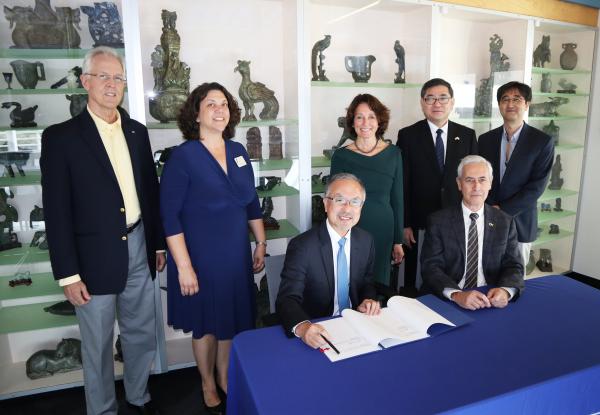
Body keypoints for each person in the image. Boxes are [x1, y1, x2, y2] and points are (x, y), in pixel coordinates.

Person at [40, 46, 165, 415]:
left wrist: (156, 244)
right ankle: (102, 409)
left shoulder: (136, 132)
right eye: (103, 76)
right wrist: (67, 274)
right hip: (91, 259)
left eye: (118, 78)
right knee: (96, 344)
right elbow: (56, 212)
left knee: (141, 332)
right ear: (85, 82)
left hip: (140, 244)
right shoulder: (61, 137)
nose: (112, 84)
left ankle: (139, 396)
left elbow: (149, 192)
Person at [160, 82, 266, 413]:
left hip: (235, 255)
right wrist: (185, 267)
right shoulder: (183, 156)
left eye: (224, 104)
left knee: (231, 321)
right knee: (206, 325)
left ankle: (224, 375)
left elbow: (251, 202)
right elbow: (169, 216)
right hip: (199, 258)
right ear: (196, 112)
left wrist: (260, 241)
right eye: (211, 104)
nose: (219, 109)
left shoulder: (238, 151)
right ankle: (206, 381)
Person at [276, 173, 381, 348]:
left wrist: (368, 300)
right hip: (317, 327)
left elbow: (366, 283)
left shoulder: (366, 241)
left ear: (361, 207)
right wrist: (303, 327)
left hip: (355, 327)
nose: (347, 209)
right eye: (339, 200)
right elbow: (287, 299)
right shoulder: (302, 246)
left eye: (355, 202)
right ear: (326, 204)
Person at [397, 78, 477, 293]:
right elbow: (402, 182)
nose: (437, 103)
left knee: (451, 270)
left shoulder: (467, 135)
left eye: (443, 98)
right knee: (415, 275)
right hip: (419, 219)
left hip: (455, 217)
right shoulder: (407, 135)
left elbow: (473, 180)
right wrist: (404, 223)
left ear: (451, 102)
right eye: (430, 98)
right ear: (423, 103)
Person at [421, 155, 524, 310]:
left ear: (490, 183)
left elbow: (514, 266)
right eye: (469, 180)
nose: (476, 187)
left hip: (489, 298)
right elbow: (431, 267)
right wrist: (456, 294)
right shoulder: (438, 221)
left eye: (482, 179)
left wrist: (505, 290)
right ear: (459, 184)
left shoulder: (505, 221)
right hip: (449, 299)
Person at [330, 94, 404, 289]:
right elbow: (333, 201)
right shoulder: (341, 156)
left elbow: (397, 199)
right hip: (350, 228)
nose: (365, 123)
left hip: (383, 230)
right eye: (359, 117)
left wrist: (398, 241)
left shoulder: (394, 153)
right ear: (352, 123)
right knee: (351, 284)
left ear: (379, 121)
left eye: (371, 116)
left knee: (379, 288)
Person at [478, 81, 554, 266]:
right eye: (505, 99)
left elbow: (537, 186)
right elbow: (479, 178)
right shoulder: (485, 139)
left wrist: (502, 211)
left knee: (515, 278)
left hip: (520, 221)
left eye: (517, 99)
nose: (510, 104)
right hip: (487, 219)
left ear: (526, 104)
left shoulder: (542, 141)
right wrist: (488, 209)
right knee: (485, 273)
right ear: (499, 105)